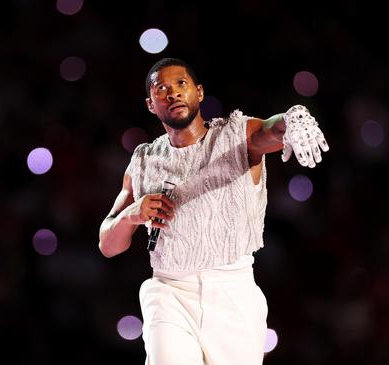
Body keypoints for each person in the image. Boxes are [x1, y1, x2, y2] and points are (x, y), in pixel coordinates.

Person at [98, 57, 329, 365]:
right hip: (170, 291)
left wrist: (292, 120)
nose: (173, 93)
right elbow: (108, 245)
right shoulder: (143, 162)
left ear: (200, 92)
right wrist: (133, 215)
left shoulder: (236, 135)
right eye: (161, 88)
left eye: (181, 84)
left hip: (232, 292)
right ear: (151, 104)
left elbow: (271, 130)